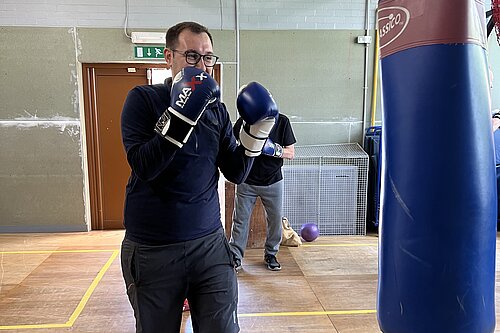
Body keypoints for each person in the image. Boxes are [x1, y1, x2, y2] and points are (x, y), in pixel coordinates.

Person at [120, 21, 278, 333]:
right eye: (191, 56)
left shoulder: (216, 111)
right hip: (153, 248)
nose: (202, 65)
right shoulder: (142, 99)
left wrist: (254, 135)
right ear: (169, 57)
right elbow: (144, 165)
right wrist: (181, 115)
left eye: (207, 57)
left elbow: (234, 171)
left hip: (208, 244)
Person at [229, 113, 296, 271]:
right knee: (240, 220)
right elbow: (231, 145)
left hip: (273, 181)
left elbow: (291, 153)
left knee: (274, 220)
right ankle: (235, 257)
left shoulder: (282, 121)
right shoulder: (245, 120)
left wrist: (274, 150)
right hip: (247, 180)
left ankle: (271, 254)